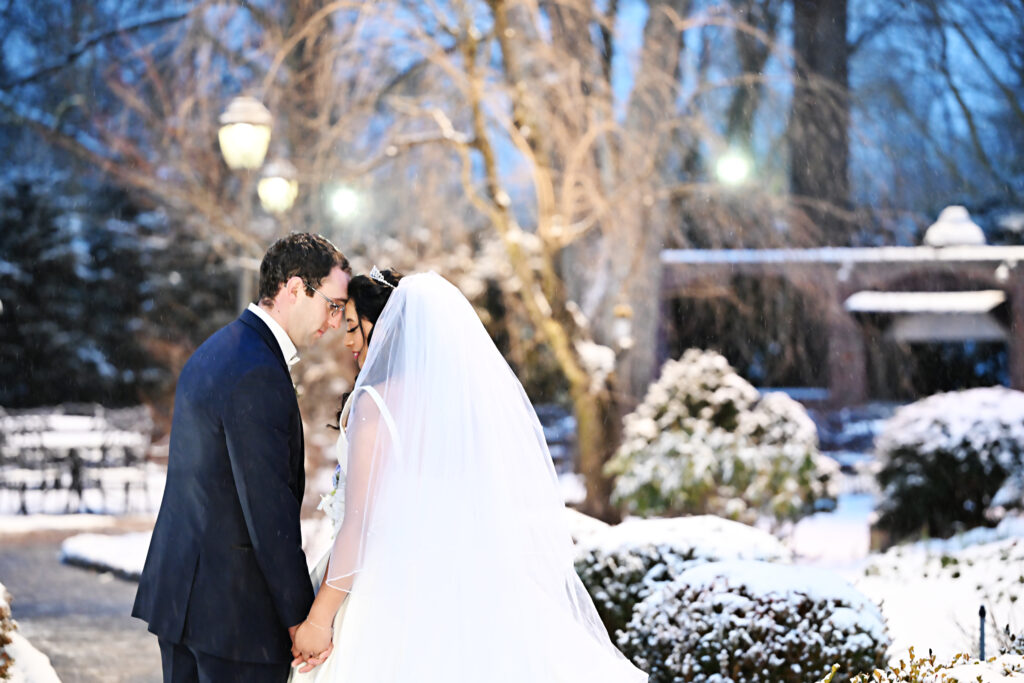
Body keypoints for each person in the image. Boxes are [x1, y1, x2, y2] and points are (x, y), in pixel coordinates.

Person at [290, 268, 647, 683]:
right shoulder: (451, 411)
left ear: (386, 325)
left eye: (353, 326)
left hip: (383, 595)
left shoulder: (374, 403)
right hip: (454, 592)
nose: (348, 340)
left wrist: (320, 618)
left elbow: (360, 527)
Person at [133, 232, 350, 683]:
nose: (333, 321)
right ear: (295, 288)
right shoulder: (257, 372)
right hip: (234, 619)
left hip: (185, 601)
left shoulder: (218, 349)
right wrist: (299, 620)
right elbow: (267, 508)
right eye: (332, 304)